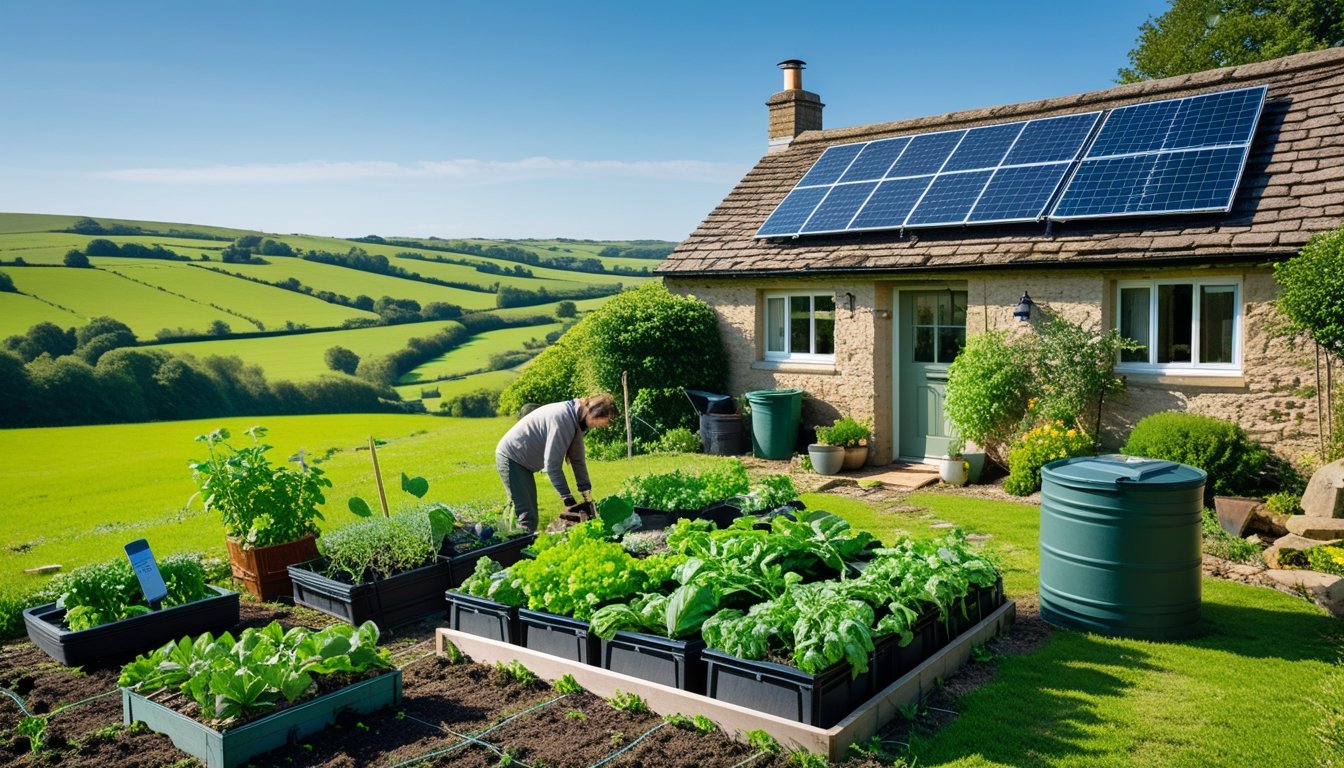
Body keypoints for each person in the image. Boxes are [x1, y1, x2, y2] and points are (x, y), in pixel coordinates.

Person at [495, 393, 617, 532]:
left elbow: (577, 460)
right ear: (591, 412)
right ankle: (517, 549)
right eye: (595, 423)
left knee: (528, 512)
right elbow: (552, 466)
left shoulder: (576, 419)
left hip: (524, 461)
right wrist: (567, 498)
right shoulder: (563, 419)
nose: (594, 427)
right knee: (527, 515)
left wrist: (586, 493)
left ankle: (515, 537)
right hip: (512, 457)